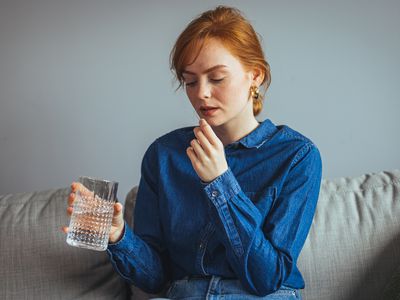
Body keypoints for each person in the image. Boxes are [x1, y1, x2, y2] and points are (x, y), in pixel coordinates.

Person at [63, 5, 322, 299]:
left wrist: (220, 184)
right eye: (190, 81)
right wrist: (118, 236)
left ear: (255, 76)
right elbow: (156, 280)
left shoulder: (297, 156)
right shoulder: (164, 155)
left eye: (217, 78)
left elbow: (267, 278)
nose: (201, 93)